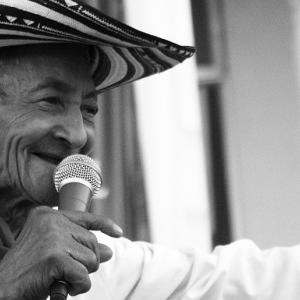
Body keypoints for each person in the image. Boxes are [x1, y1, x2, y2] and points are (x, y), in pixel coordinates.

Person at [0, 1, 300, 300]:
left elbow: (225, 282)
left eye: (89, 110)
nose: (79, 134)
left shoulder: (94, 266)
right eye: (50, 100)